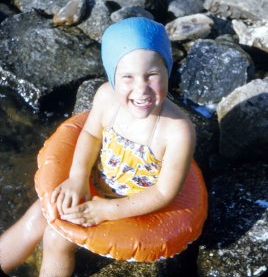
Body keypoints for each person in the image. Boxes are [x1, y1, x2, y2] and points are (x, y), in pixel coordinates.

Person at [0, 17, 195, 277]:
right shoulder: (106, 96)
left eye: (152, 75)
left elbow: (163, 193)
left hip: (130, 205)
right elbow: (91, 134)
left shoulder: (177, 130)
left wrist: (106, 210)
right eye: (127, 77)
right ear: (112, 75)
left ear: (167, 71)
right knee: (38, 213)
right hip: (96, 183)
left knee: (56, 238)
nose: (141, 89)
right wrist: (77, 178)